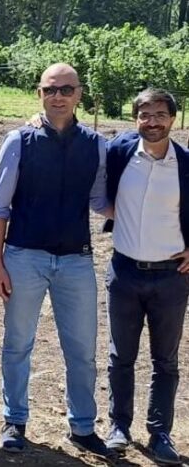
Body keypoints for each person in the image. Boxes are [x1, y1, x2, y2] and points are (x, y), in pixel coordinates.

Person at [0, 63, 113, 461]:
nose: (57, 96)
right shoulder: (19, 141)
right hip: (24, 256)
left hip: (76, 261)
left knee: (82, 350)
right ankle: (14, 420)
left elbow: (99, 202)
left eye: (65, 89)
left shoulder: (96, 145)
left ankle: (82, 426)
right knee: (17, 344)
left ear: (79, 95)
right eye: (49, 89)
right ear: (39, 94)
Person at [103, 89, 189, 464]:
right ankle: (118, 427)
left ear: (173, 119)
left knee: (165, 361)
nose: (152, 122)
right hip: (124, 272)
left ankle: (160, 434)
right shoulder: (119, 153)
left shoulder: (186, 163)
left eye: (159, 115)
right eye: (144, 114)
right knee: (121, 356)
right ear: (135, 118)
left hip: (171, 277)